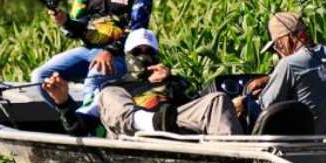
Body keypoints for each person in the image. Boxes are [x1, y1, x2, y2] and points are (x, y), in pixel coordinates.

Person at [31, 0, 152, 124]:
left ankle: (85, 124)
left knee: (96, 73)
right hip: (89, 51)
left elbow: (137, 29)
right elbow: (74, 31)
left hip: (124, 56)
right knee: (39, 76)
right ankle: (75, 117)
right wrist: (65, 22)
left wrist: (110, 52)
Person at [85, 28, 243, 137]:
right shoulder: (116, 87)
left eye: (149, 52)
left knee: (217, 99)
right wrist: (63, 103)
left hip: (173, 127)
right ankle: (151, 123)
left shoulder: (171, 81)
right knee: (107, 93)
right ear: (127, 55)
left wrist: (173, 81)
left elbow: (196, 103)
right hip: (132, 135)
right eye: (137, 52)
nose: (143, 56)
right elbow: (81, 121)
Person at [236, 11, 326, 136]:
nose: (278, 52)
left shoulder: (289, 63)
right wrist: (271, 78)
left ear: (281, 42)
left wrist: (245, 101)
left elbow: (264, 107)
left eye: (276, 47)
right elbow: (314, 75)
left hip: (306, 141)